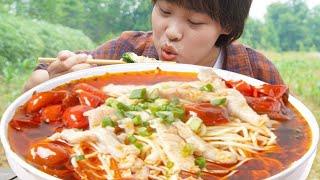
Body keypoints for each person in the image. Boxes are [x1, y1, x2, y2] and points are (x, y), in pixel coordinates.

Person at [24, 0, 284, 91]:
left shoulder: (255, 70)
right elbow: (39, 76)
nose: (170, 33)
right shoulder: (128, 49)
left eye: (194, 22)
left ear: (226, 27)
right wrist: (52, 79)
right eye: (164, 10)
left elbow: (290, 128)